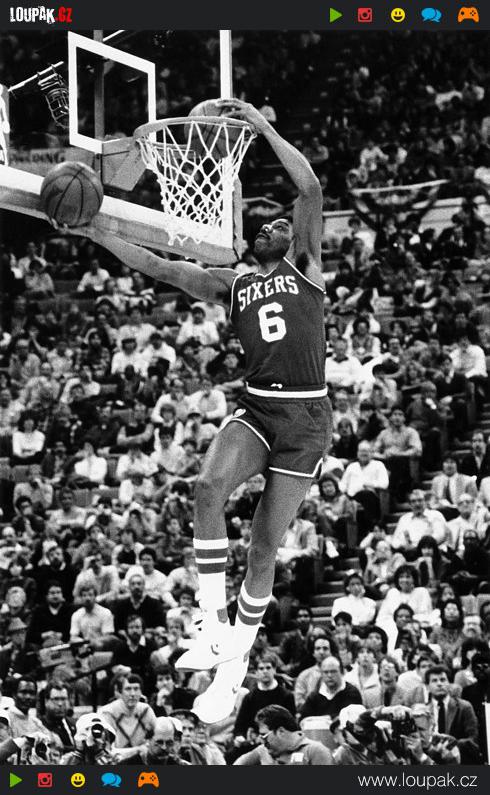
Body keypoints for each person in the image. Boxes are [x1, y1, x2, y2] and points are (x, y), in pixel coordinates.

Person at [73, 98, 332, 724]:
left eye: (279, 223)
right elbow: (159, 266)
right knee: (208, 486)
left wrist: (261, 127)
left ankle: (231, 674)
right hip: (259, 409)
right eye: (264, 224)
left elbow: (310, 189)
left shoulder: (306, 264)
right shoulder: (232, 283)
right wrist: (96, 229)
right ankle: (212, 621)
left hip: (306, 422)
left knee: (264, 550)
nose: (273, 225)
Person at [234, 704, 333, 765]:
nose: (261, 740)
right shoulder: (262, 751)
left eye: (264, 735)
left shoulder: (315, 751)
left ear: (281, 731)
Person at [233, 654, 295, 739]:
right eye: (261, 668)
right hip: (255, 740)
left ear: (274, 670)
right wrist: (240, 737)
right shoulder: (249, 698)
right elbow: (240, 726)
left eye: (268, 668)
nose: (265, 671)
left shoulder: (287, 696)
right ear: (256, 672)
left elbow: (292, 725)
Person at [300, 656, 362, 721]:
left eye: (333, 671)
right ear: (322, 674)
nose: (329, 675)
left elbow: (352, 717)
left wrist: (323, 719)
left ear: (341, 673)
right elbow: (303, 718)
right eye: (326, 672)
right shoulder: (315, 696)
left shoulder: (352, 693)